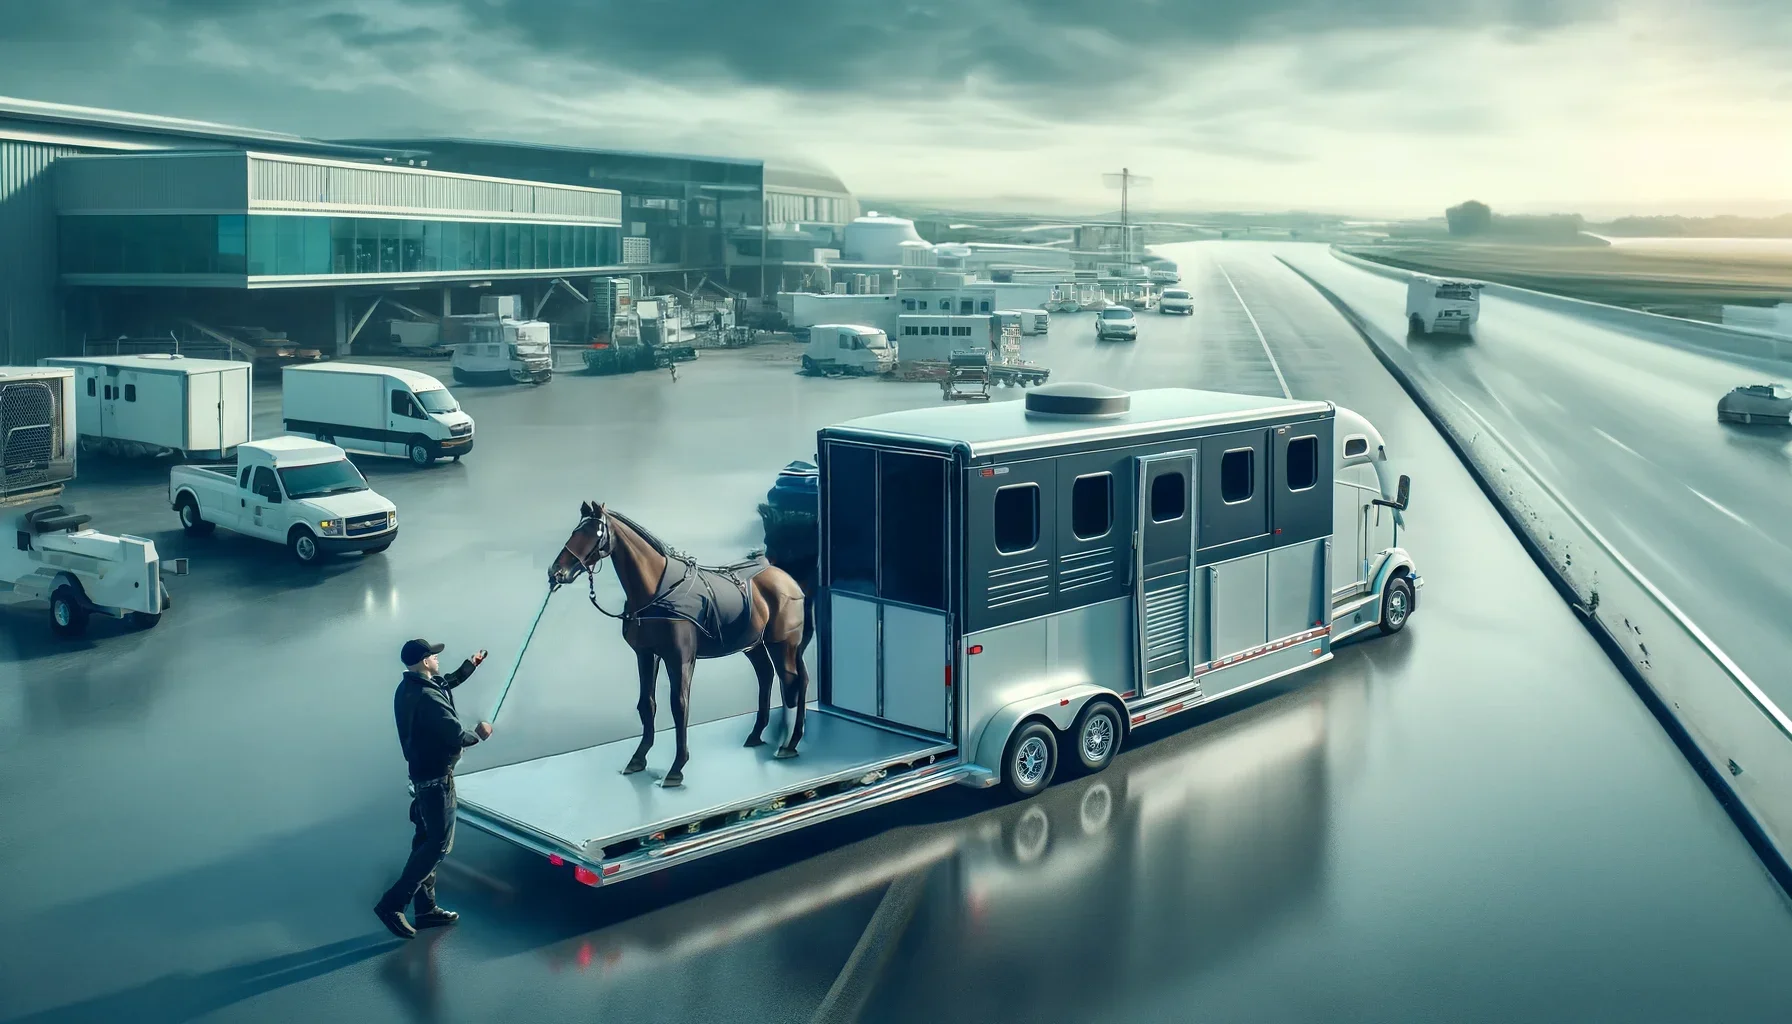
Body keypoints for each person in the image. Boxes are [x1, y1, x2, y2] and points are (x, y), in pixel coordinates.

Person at [375, 639, 492, 939]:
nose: (438, 660)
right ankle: (393, 904)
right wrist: (479, 734)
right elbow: (456, 736)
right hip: (437, 782)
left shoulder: (410, 687)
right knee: (438, 844)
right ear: (425, 661)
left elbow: (446, 681)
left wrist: (471, 665)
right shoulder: (427, 696)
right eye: (434, 656)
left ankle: (426, 910)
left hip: (422, 779)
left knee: (426, 841)